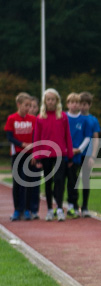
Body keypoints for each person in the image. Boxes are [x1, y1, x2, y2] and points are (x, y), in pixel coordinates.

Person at [33, 88, 73, 221]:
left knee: (59, 180)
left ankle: (60, 208)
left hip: (60, 153)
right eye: (48, 99)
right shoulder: (40, 118)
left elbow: (67, 136)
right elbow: (37, 138)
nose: (50, 102)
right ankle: (50, 209)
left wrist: (70, 154)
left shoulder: (62, 116)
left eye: (53, 99)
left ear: (57, 101)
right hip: (45, 155)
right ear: (45, 101)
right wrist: (37, 156)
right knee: (48, 182)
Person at [4, 92, 37, 221]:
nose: (28, 108)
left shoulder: (33, 119)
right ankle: (17, 209)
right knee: (17, 182)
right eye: (26, 105)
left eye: (29, 105)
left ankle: (27, 209)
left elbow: (36, 136)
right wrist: (22, 144)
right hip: (17, 154)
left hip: (29, 155)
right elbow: (9, 136)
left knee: (28, 182)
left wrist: (34, 151)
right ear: (19, 104)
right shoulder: (12, 118)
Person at [64, 92, 92, 218]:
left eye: (77, 103)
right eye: (72, 102)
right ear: (68, 104)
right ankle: (68, 205)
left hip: (79, 154)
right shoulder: (63, 117)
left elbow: (89, 137)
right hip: (66, 154)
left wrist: (79, 149)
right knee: (66, 180)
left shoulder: (85, 120)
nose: (75, 105)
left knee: (80, 180)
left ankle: (80, 205)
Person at [79, 91, 101, 217]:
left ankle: (85, 206)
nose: (83, 106)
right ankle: (73, 205)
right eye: (81, 104)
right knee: (72, 180)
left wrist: (93, 155)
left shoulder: (93, 120)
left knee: (86, 180)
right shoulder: (75, 118)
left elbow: (96, 138)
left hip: (87, 154)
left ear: (90, 105)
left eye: (85, 104)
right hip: (75, 153)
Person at [27, 96, 41, 217]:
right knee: (24, 183)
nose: (31, 109)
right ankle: (24, 209)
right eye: (29, 106)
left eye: (34, 107)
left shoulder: (39, 121)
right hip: (24, 157)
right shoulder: (24, 122)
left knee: (35, 183)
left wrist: (36, 155)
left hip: (37, 157)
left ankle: (34, 209)